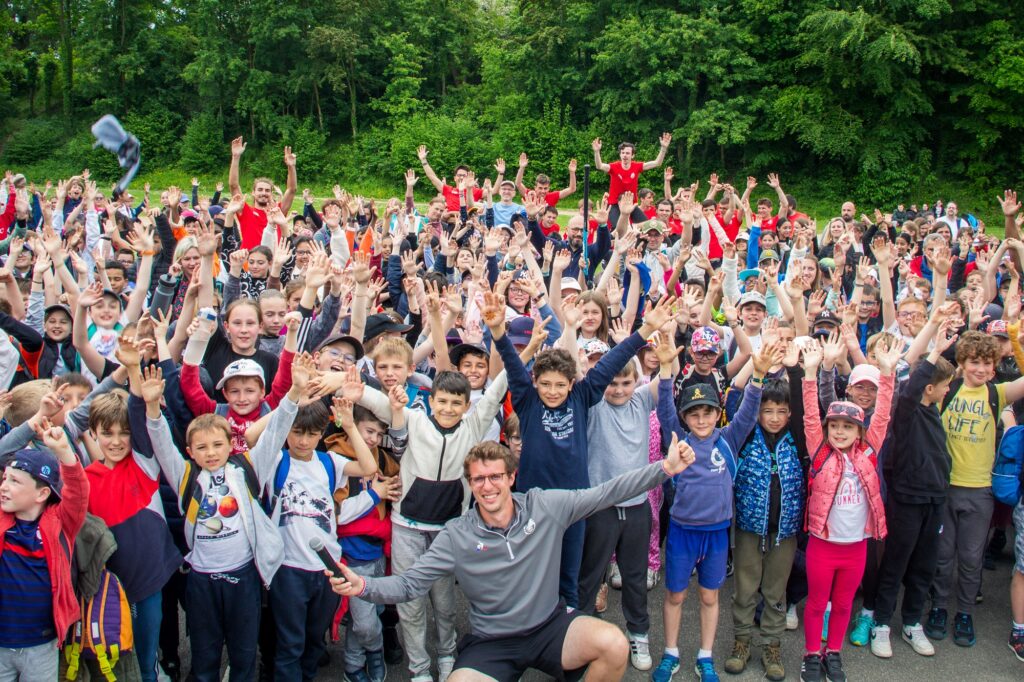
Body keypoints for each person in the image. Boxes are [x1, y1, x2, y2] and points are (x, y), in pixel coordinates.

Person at [327, 434, 697, 682]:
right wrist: (362, 585)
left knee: (614, 645)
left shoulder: (545, 506)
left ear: (511, 477)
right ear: (469, 485)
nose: (487, 486)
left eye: (495, 477)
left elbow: (605, 493)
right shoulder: (457, 534)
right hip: (492, 641)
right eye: (478, 480)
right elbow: (409, 583)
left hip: (549, 626)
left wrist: (664, 469)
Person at [141, 354, 309, 682]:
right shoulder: (185, 476)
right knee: (204, 654)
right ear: (190, 452)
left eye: (218, 444)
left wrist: (295, 393)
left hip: (243, 576)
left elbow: (275, 432)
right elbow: (161, 443)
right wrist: (151, 407)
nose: (211, 452)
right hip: (201, 579)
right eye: (201, 447)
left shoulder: (246, 468)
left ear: (229, 445)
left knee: (245, 653)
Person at [653, 340, 778, 682]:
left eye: (707, 411)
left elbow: (749, 410)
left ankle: (704, 655)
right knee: (676, 594)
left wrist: (760, 375)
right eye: (694, 413)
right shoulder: (679, 439)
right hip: (681, 530)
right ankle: (671, 653)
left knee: (709, 596)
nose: (701, 418)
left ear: (716, 413)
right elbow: (665, 411)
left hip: (717, 533)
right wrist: (666, 372)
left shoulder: (728, 438)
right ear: (685, 417)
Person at [798, 337, 899, 682]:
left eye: (848, 427)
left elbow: (883, 413)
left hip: (856, 546)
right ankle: (812, 654)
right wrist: (809, 373)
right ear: (827, 430)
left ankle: (833, 653)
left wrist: (887, 373)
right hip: (823, 546)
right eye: (835, 426)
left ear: (859, 430)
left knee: (843, 605)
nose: (840, 431)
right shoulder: (820, 451)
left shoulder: (869, 452)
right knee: (816, 603)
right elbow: (811, 413)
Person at [869, 333, 957, 659]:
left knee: (924, 567)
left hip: (935, 502)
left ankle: (911, 623)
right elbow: (910, 390)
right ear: (929, 388)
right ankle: (881, 623)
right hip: (907, 500)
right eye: (944, 384)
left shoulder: (935, 410)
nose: (949, 389)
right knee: (895, 564)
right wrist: (934, 351)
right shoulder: (907, 412)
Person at [0, 421, 88, 682]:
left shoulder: (60, 523)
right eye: (4, 479)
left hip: (41, 643)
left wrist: (64, 452)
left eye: (14, 481)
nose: (4, 486)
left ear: (42, 494)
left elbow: (78, 492)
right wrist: (29, 425)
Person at [227, 137, 297, 249]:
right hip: (250, 262)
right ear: (253, 193)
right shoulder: (246, 211)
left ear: (271, 194)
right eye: (260, 190)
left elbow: (292, 190)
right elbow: (233, 185)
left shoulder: (278, 212)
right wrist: (236, 157)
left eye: (267, 190)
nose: (264, 193)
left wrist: (291, 167)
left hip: (273, 263)